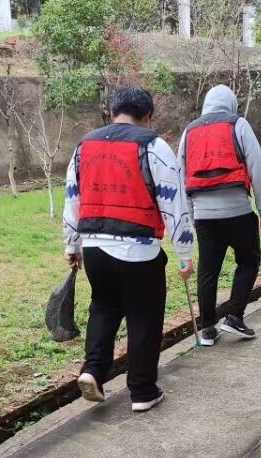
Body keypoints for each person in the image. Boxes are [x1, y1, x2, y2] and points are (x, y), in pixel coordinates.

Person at [63, 86, 195, 412]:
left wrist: (72, 244)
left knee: (103, 308)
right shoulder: (153, 145)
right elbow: (174, 203)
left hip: (95, 248)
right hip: (140, 252)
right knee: (143, 317)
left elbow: (72, 199)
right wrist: (184, 253)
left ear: (112, 113)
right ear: (148, 116)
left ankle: (93, 371)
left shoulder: (84, 147)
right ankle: (142, 391)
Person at [177, 85, 261, 345]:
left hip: (204, 217)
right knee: (249, 261)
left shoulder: (189, 131)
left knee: (208, 270)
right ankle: (234, 317)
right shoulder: (238, 125)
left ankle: (208, 329)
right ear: (231, 104)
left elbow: (181, 175)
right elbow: (256, 165)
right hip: (238, 213)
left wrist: (191, 216)